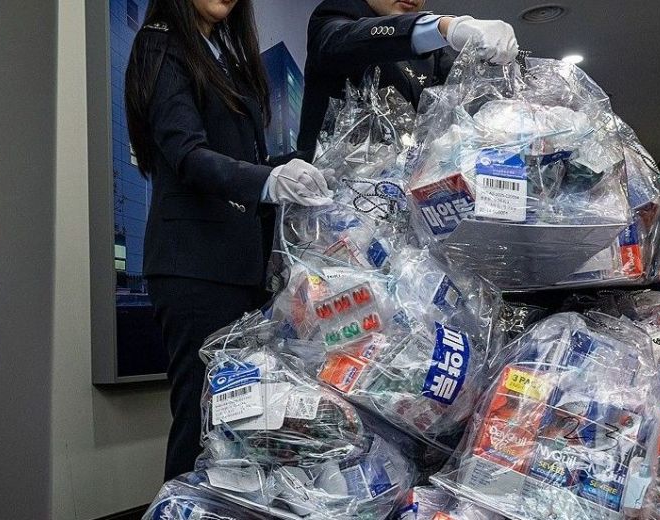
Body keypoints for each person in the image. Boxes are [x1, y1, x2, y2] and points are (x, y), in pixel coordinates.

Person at [125, 0, 333, 481]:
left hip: (240, 269)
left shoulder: (224, 55)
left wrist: (303, 165)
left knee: (242, 425)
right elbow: (187, 153)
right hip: (194, 267)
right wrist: (268, 180)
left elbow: (241, 159)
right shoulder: (160, 43)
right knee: (201, 422)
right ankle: (180, 509)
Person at [297, 0, 520, 157]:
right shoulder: (334, 15)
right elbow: (343, 40)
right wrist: (443, 27)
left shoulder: (433, 55)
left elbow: (470, 95)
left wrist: (502, 76)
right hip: (324, 190)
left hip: (402, 195)